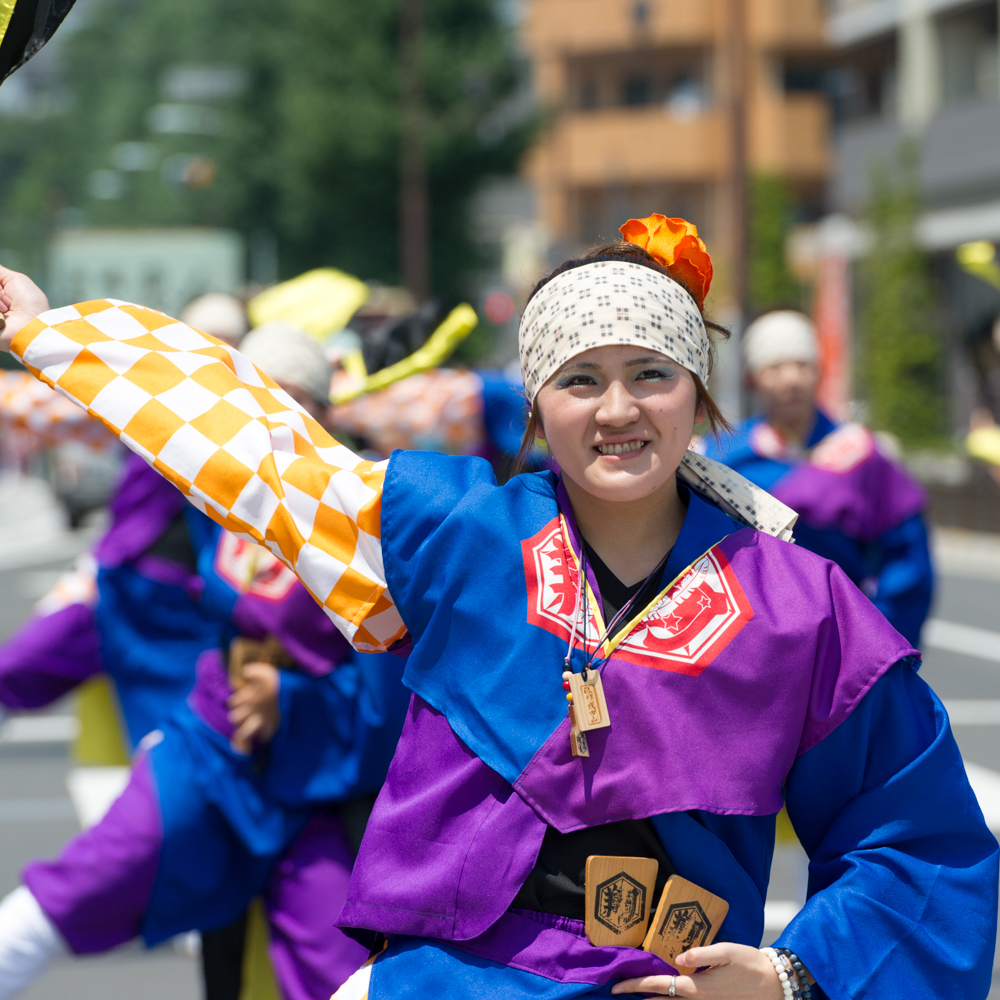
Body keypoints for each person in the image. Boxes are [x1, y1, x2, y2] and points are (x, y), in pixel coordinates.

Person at [0, 214, 995, 999]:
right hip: (444, 979)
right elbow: (255, 443)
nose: (616, 410)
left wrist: (791, 973)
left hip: (663, 976)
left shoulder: (799, 609)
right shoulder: (458, 533)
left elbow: (917, 838)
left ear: (698, 393)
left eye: (651, 374)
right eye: (580, 380)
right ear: (535, 404)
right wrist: (52, 330)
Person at [0, 320, 411, 1000]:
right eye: (248, 401)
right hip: (212, 745)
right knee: (59, 899)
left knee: (350, 980)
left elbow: (394, 689)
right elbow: (139, 414)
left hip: (321, 781)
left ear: (320, 415)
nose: (265, 422)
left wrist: (293, 700)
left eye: (286, 402)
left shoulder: (364, 517)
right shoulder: (216, 488)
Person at [701, 311, 933, 647]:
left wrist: (879, 635)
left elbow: (908, 555)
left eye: (802, 364)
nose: (791, 379)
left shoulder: (860, 453)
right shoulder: (725, 456)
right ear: (753, 378)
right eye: (775, 368)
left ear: (820, 369)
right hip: (751, 638)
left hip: (844, 634)